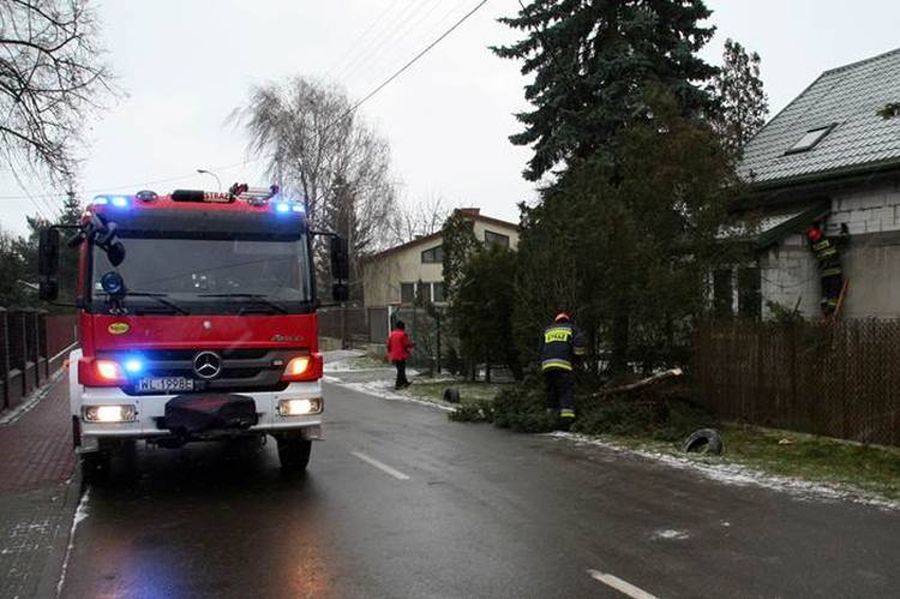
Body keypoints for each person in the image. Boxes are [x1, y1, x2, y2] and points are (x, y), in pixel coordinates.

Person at [539, 312, 586, 430]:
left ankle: (549, 418)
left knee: (551, 391)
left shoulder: (547, 330)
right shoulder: (572, 329)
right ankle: (566, 421)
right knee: (566, 391)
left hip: (547, 365)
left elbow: (540, 348)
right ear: (567, 320)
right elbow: (579, 344)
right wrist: (578, 360)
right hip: (563, 365)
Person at [386, 320, 415, 390]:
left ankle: (405, 382)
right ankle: (398, 384)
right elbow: (406, 344)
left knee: (400, 369)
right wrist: (412, 344)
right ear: (403, 327)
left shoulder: (392, 334)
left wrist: (389, 353)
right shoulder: (403, 334)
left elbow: (388, 345)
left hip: (394, 355)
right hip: (401, 355)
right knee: (401, 370)